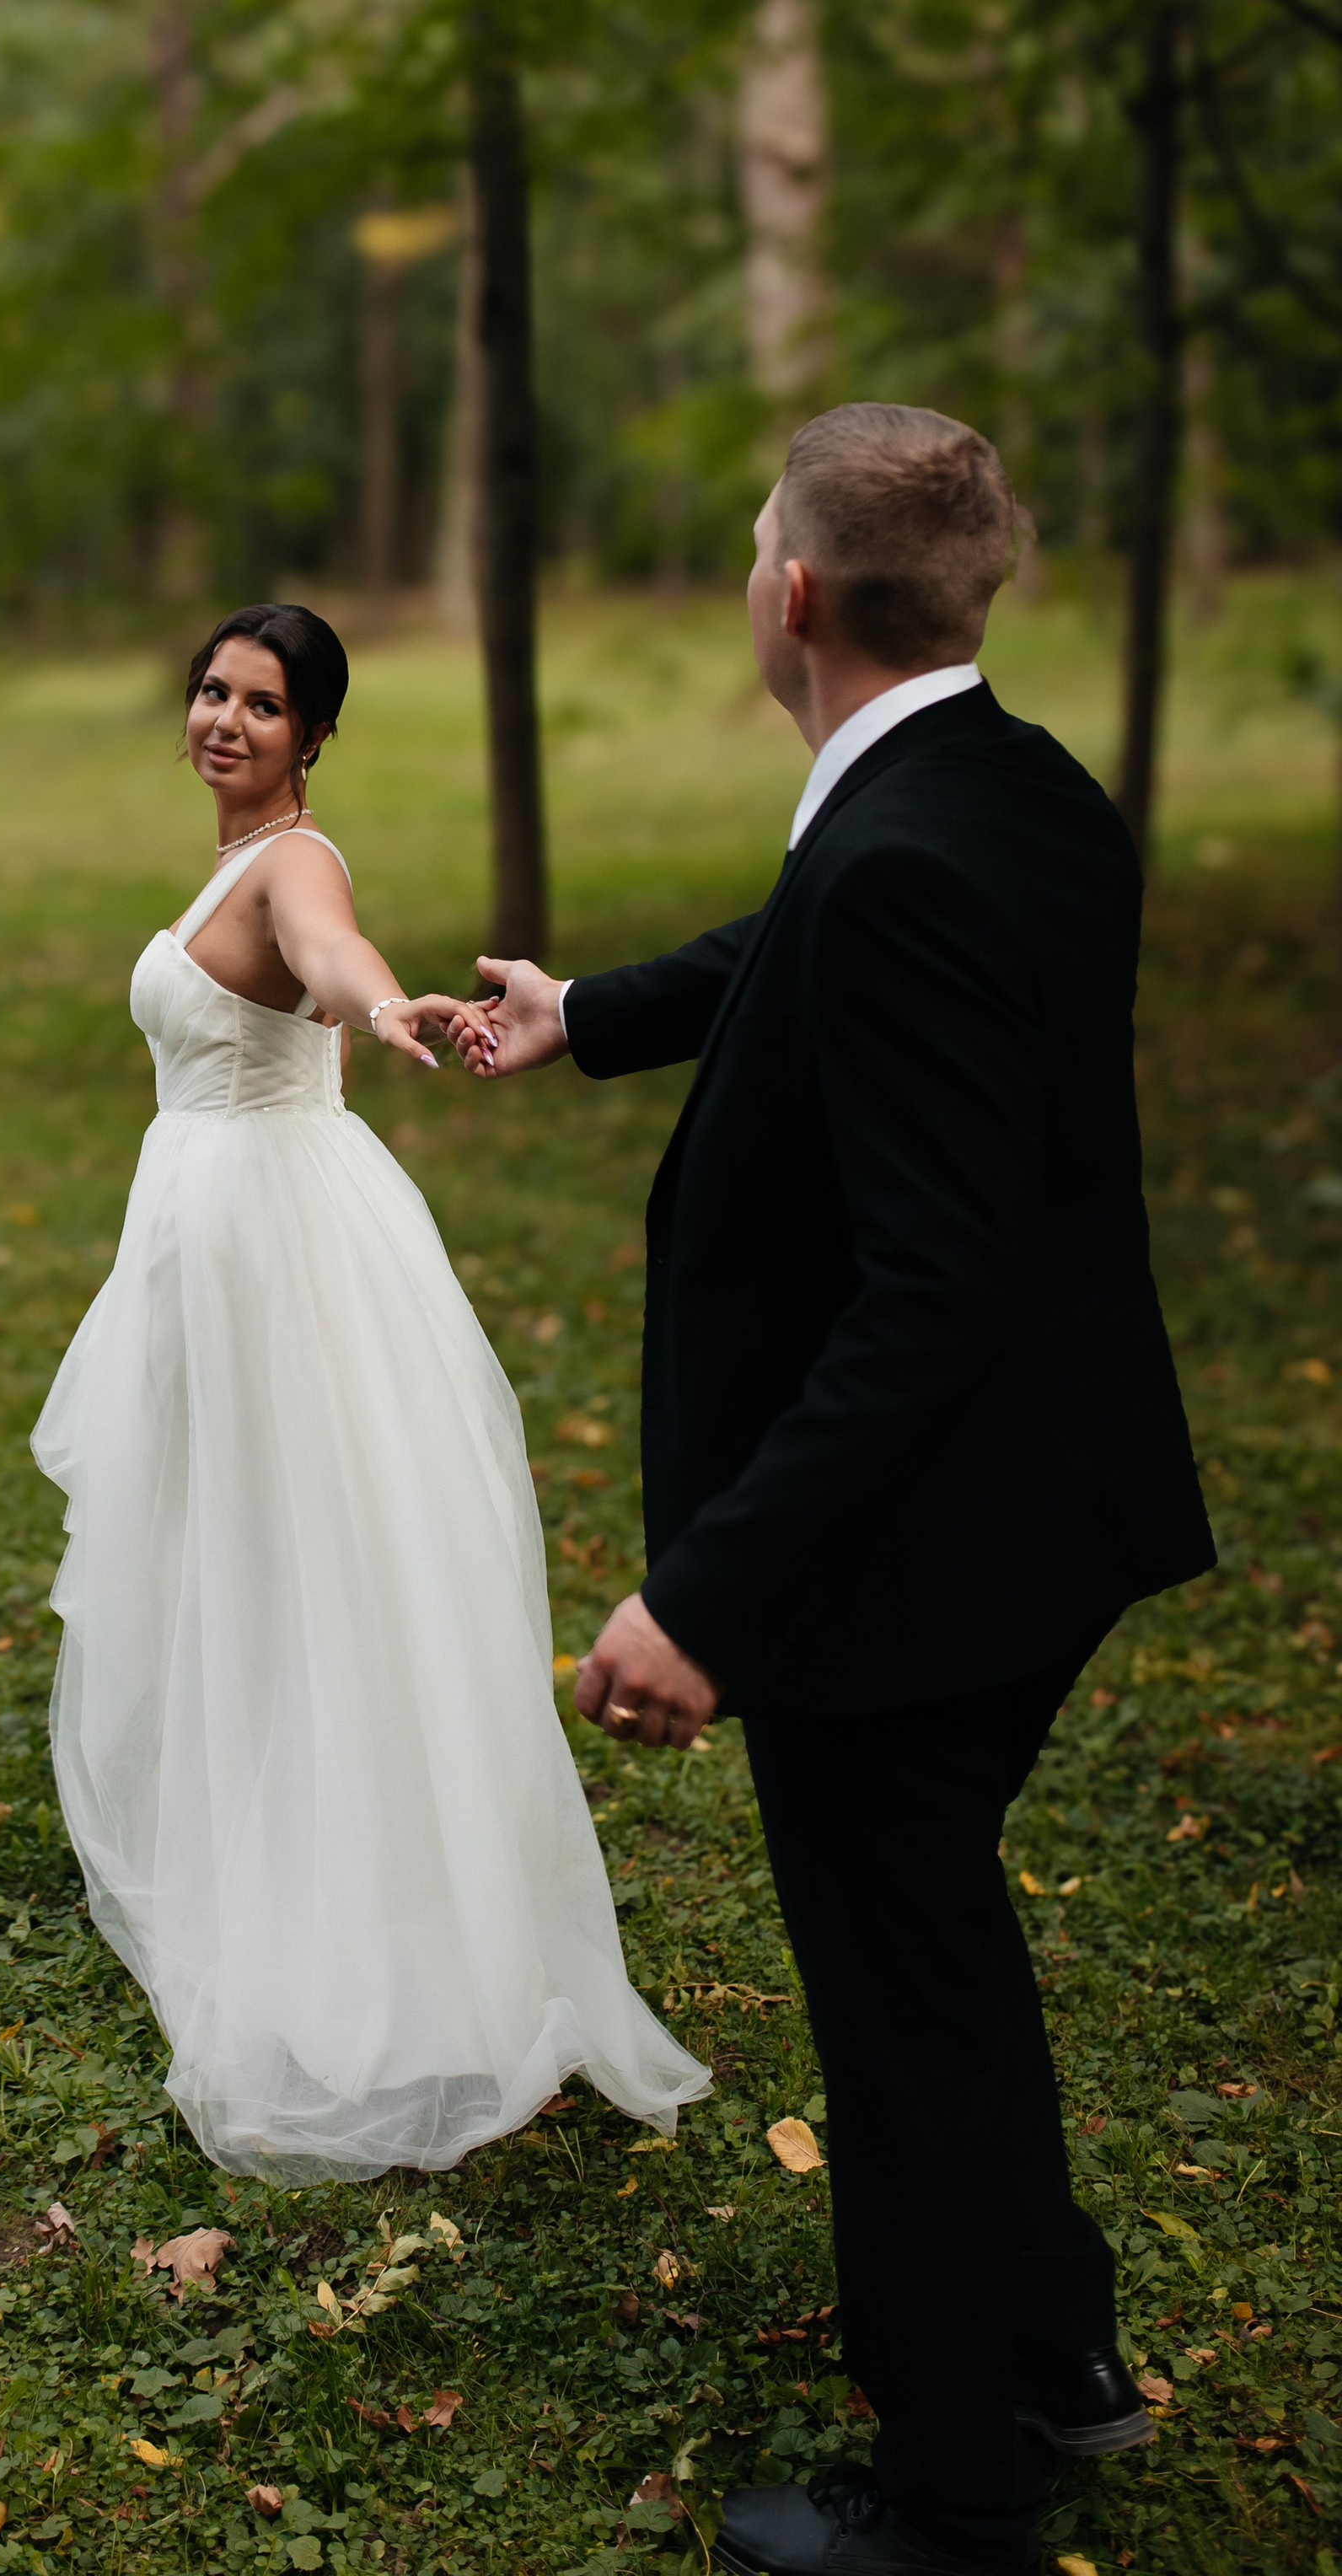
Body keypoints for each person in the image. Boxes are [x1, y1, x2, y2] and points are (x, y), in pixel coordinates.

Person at [453, 407, 1212, 2576]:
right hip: (1050, 1498)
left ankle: (953, 2491)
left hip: (925, 1556)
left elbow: (929, 1291)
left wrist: (709, 1594)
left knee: (896, 2008)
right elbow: (812, 940)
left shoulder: (895, 858)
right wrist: (588, 1012)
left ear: (789, 594)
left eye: (749, 545)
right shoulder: (1004, 786)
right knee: (934, 1943)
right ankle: (1051, 2347)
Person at [34, 599, 707, 2182]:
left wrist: (389, 1004)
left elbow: (332, 959)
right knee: (233, 1549)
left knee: (309, 1553)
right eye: (211, 690)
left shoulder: (295, 862)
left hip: (273, 1247)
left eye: (262, 705)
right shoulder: (232, 862)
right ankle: (251, 1834)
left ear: (314, 736)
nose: (225, 720)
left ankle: (356, 1906)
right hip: (213, 1238)